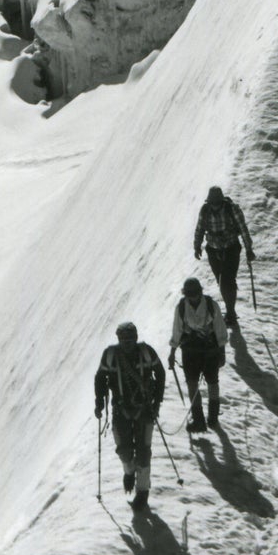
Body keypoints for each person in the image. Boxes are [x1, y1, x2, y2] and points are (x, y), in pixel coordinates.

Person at [94, 322, 165, 511]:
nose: (127, 342)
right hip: (121, 410)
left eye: (130, 338)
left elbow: (160, 373)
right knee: (124, 452)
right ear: (118, 339)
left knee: (143, 452)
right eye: (123, 339)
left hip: (144, 410)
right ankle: (129, 471)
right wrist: (99, 402)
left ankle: (142, 492)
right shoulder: (110, 355)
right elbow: (100, 378)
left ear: (136, 338)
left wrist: (157, 402)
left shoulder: (146, 352)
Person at [169, 277, 228, 434]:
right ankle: (199, 420)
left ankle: (213, 417)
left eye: (195, 293)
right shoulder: (181, 307)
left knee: (212, 382)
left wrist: (222, 352)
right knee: (192, 384)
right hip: (190, 352)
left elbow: (220, 328)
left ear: (200, 292)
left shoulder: (211, 305)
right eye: (190, 294)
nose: (193, 297)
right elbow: (177, 330)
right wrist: (172, 352)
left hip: (210, 351)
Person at [193, 186, 254, 327]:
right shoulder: (205, 210)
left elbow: (243, 229)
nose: (214, 205)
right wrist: (197, 246)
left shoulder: (232, 209)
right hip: (213, 250)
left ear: (221, 201)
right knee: (221, 282)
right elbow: (200, 228)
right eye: (212, 203)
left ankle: (231, 313)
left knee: (227, 280)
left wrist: (248, 249)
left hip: (231, 248)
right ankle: (230, 309)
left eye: (216, 202)